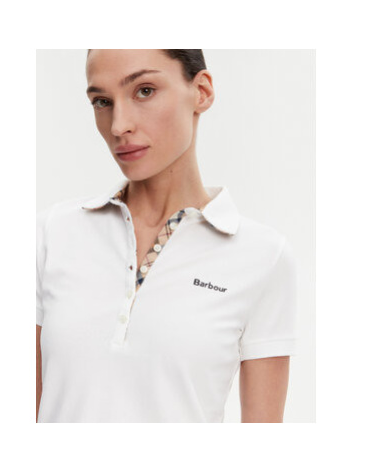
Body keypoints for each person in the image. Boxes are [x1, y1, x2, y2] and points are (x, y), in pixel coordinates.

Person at [36, 49, 298, 423]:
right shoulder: (53, 233)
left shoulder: (263, 257)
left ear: (201, 92)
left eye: (144, 91)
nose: (118, 126)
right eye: (102, 101)